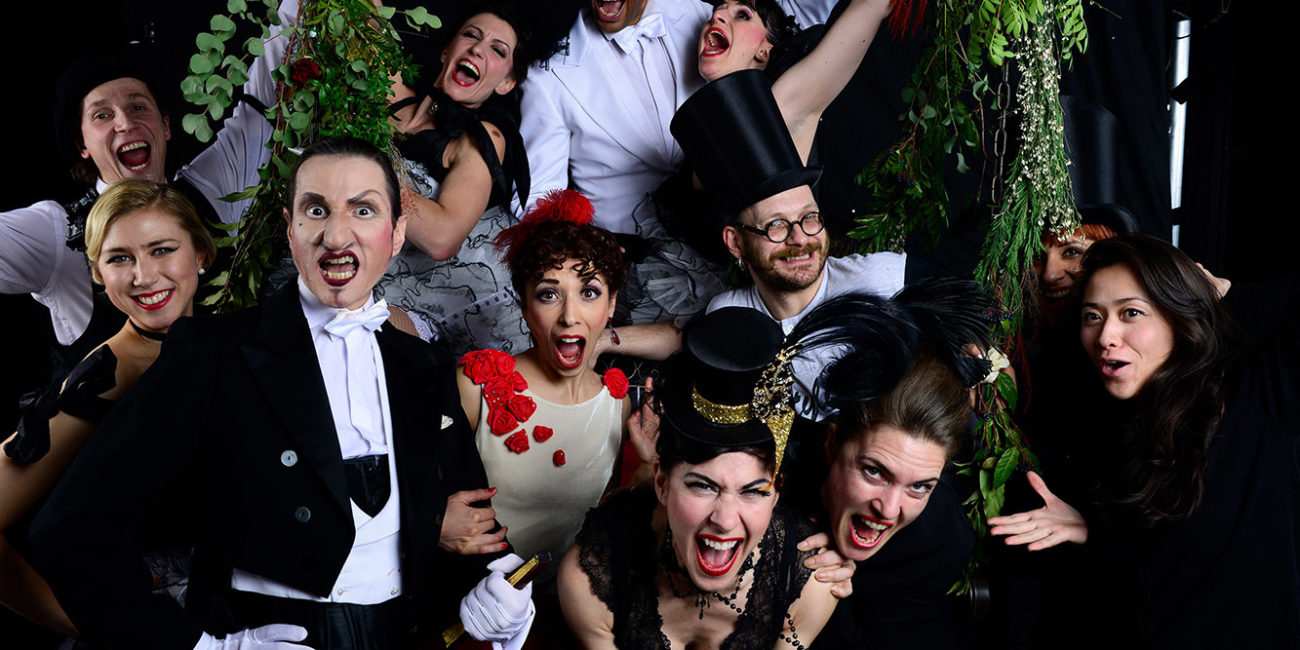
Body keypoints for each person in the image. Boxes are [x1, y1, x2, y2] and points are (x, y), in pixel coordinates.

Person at [26, 138, 534, 650]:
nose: (337, 235)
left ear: (397, 231)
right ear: (291, 230)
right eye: (316, 210)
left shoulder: (422, 364)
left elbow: (476, 525)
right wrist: (204, 647)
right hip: (268, 631)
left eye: (363, 210)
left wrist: (503, 587)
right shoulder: (213, 353)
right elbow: (69, 532)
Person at [990, 234, 1297, 649]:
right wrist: (1091, 531)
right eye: (1092, 316)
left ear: (1178, 315)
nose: (1106, 336)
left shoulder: (1256, 394)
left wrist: (1224, 294)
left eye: (1131, 313)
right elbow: (1148, 577)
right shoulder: (1101, 425)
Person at [559, 299, 890, 648]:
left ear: (776, 494)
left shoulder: (810, 587)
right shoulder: (589, 582)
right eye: (703, 487)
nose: (725, 520)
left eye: (753, 491)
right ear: (662, 483)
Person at [0, 0, 293, 372]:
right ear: (82, 145)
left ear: (165, 126)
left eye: (138, 107)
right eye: (102, 115)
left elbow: (268, 90)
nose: (125, 123)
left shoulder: (211, 187)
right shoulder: (57, 235)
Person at [0, 181, 216, 636]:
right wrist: (79, 624)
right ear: (97, 272)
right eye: (120, 258)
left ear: (201, 253)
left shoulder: (219, 345)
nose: (144, 276)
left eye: (162, 250)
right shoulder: (105, 377)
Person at [669, 71, 906, 416]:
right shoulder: (729, 313)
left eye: (809, 218)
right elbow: (681, 340)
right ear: (735, 243)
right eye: (777, 225)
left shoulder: (884, 278)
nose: (800, 238)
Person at [455, 189, 641, 565]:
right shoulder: (476, 386)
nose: (570, 316)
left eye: (589, 293)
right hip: (481, 587)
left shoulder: (617, 403)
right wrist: (436, 523)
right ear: (525, 307)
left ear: (611, 304)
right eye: (548, 295)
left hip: (572, 590)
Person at [379, 0, 557, 354]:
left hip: (486, 317)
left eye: (497, 50)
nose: (477, 48)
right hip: (403, 298)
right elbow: (367, 27)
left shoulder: (483, 137)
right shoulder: (393, 100)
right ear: (447, 51)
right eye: (471, 36)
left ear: (506, 82)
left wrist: (365, 177)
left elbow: (441, 238)